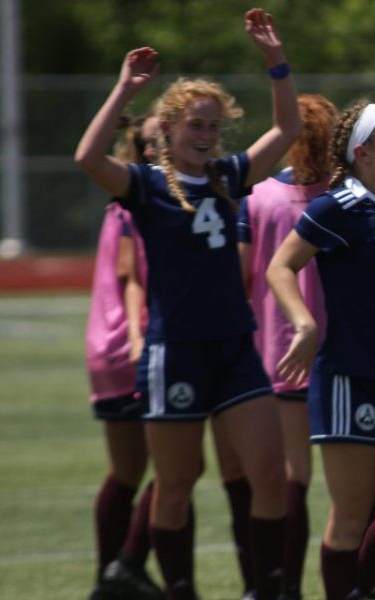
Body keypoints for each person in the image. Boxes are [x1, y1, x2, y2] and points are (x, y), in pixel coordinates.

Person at [74, 9, 303, 600]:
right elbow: (87, 160)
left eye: (212, 125)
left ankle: (269, 590)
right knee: (176, 484)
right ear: (169, 129)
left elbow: (287, 130)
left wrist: (275, 62)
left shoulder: (229, 176)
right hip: (174, 353)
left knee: (271, 481)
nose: (205, 134)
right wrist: (124, 88)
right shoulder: (146, 183)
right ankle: (179, 590)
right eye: (194, 125)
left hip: (234, 349)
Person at [266, 100, 375, 600]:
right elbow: (280, 267)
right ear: (362, 152)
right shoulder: (337, 206)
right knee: (351, 515)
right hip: (348, 377)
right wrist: (304, 323)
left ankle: (362, 585)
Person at [230, 92, 338, 600]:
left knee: (293, 472)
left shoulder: (258, 197)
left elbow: (241, 275)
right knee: (360, 476)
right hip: (342, 351)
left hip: (279, 351)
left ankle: (285, 585)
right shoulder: (348, 193)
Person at [86, 113, 163, 600]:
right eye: (158, 139)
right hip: (133, 344)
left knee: (130, 472)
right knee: (178, 471)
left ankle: (109, 579)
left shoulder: (125, 201)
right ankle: (129, 565)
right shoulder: (138, 202)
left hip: (108, 347)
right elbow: (133, 274)